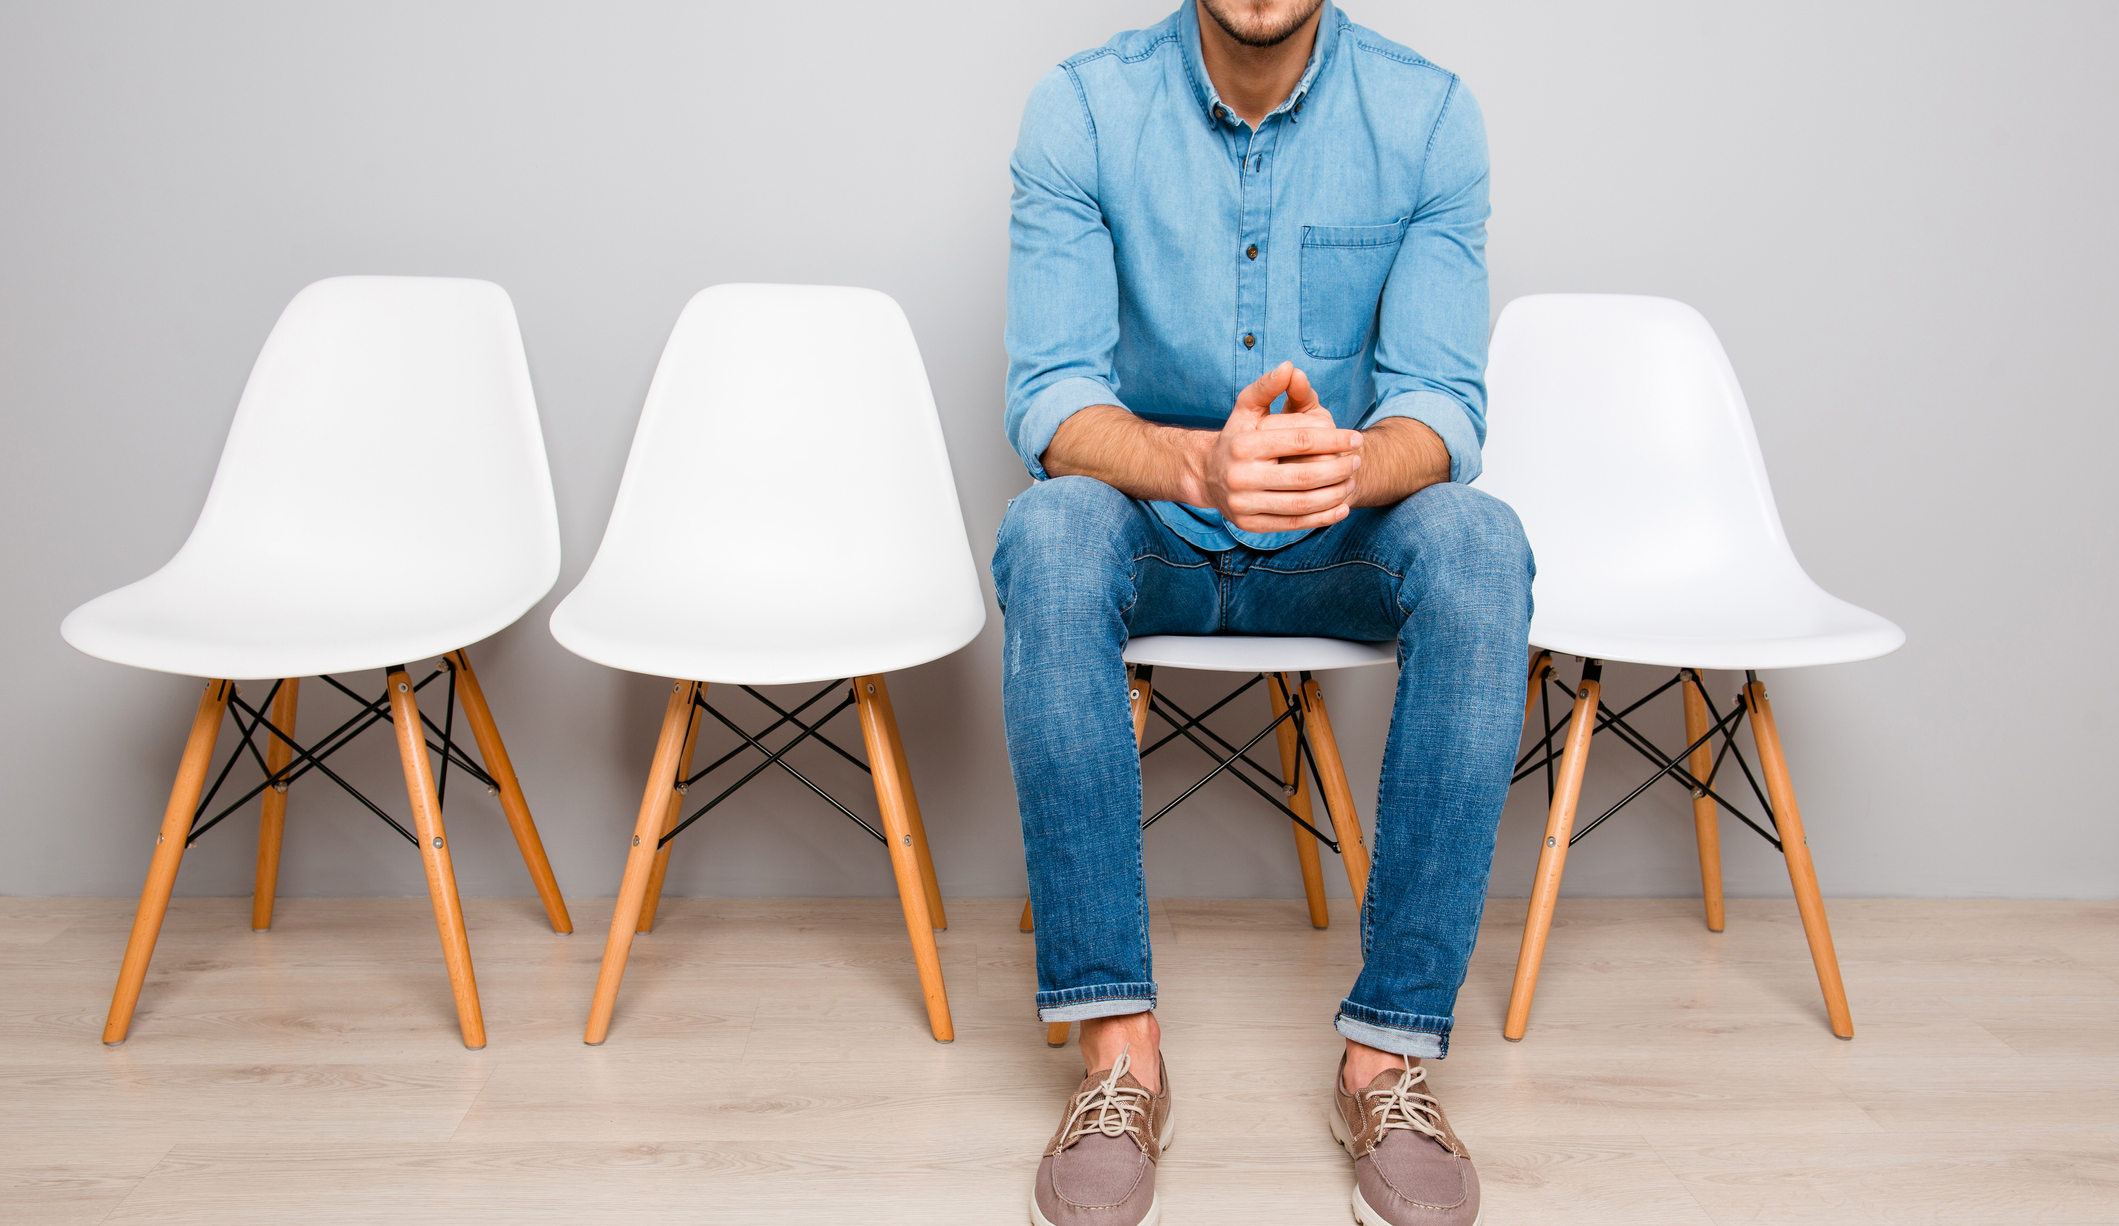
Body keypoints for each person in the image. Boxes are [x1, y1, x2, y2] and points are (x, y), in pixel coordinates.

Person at [995, 2, 1531, 1223]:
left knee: (1478, 540)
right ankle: (1119, 1058)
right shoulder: (1078, 109)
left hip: (1332, 549)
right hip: (1157, 539)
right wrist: (1197, 469)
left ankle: (1386, 1056)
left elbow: (1443, 406)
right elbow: (1049, 395)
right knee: (1051, 526)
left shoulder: (1429, 116)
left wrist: (1334, 467)